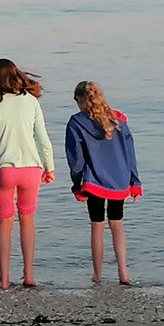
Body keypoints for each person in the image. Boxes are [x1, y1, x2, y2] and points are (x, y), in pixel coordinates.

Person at [0, 58, 55, 290]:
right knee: (27, 220)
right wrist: (50, 168)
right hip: (31, 169)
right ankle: (29, 275)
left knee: (4, 223)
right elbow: (43, 139)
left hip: (3, 171)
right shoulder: (30, 102)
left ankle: (4, 279)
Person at [65, 80, 143, 285]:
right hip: (120, 179)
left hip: (94, 181)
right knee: (117, 223)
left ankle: (98, 275)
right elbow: (130, 152)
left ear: (80, 100)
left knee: (97, 225)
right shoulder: (119, 119)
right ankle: (123, 272)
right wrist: (135, 180)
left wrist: (77, 183)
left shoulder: (76, 122)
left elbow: (75, 158)